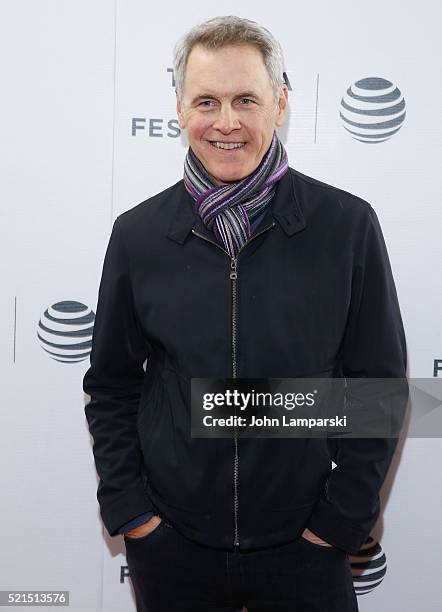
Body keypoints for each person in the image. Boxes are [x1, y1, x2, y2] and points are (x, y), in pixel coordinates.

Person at [83, 15, 407, 612]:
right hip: (173, 549)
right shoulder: (137, 235)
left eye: (246, 100)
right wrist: (133, 514)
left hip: (307, 550)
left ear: (280, 104)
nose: (226, 122)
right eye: (206, 100)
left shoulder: (346, 226)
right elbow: (111, 385)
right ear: (179, 110)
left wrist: (337, 525)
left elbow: (380, 392)